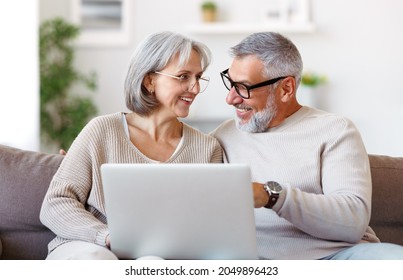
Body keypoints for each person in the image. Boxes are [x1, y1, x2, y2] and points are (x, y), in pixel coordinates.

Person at [210, 31, 403, 260]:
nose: (231, 98)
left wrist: (272, 196)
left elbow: (352, 222)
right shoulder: (224, 135)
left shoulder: (335, 130)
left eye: (244, 87)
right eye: (230, 83)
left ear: (286, 89)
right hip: (258, 264)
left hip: (339, 256)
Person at [40, 31, 223, 260]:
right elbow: (56, 202)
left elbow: (209, 223)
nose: (195, 88)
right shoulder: (102, 130)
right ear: (149, 81)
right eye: (183, 76)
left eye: (198, 77)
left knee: (153, 265)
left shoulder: (207, 149)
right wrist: (106, 236)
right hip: (88, 247)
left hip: (159, 257)